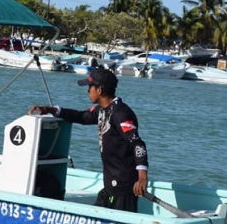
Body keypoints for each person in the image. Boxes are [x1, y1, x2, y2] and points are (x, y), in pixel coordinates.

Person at [28, 68, 149, 213]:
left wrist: (142, 177)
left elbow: (137, 144)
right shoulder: (102, 110)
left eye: (89, 87)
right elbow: (80, 116)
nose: (87, 91)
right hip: (110, 184)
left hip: (123, 186)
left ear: (99, 90)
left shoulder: (121, 114)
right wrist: (51, 110)